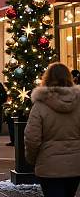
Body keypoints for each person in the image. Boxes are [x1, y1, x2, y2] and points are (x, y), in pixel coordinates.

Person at [25, 63, 80, 197]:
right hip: (76, 164)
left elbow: (32, 138)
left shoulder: (40, 104)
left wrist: (32, 159)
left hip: (49, 165)